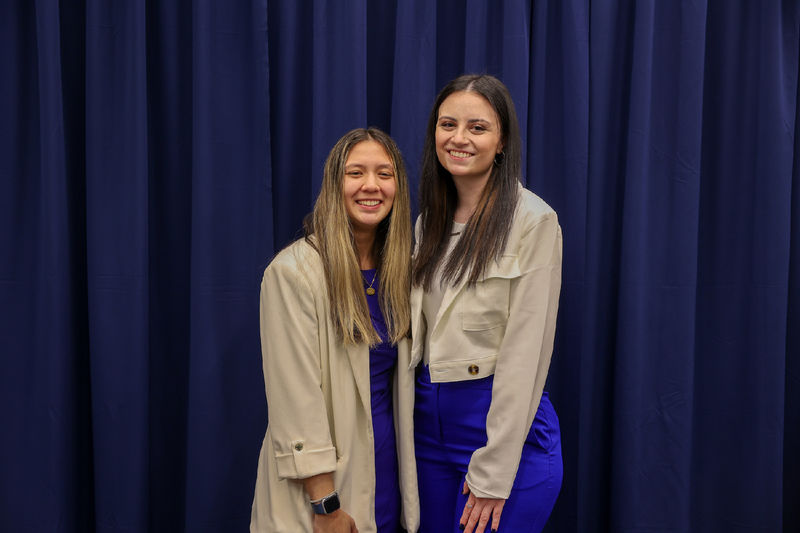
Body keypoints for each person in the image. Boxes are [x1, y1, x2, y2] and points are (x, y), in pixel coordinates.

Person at [411, 74, 563, 533]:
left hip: (501, 427)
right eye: (447, 124)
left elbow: (526, 353)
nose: (459, 138)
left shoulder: (533, 221)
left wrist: (495, 471)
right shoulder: (425, 223)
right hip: (425, 426)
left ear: (501, 142)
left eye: (477, 127)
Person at [250, 128, 419, 533]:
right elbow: (295, 400)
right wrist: (325, 505)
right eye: (355, 172)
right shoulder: (293, 273)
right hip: (324, 495)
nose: (371, 185)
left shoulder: (404, 272)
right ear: (334, 184)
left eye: (384, 173)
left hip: (387, 480)